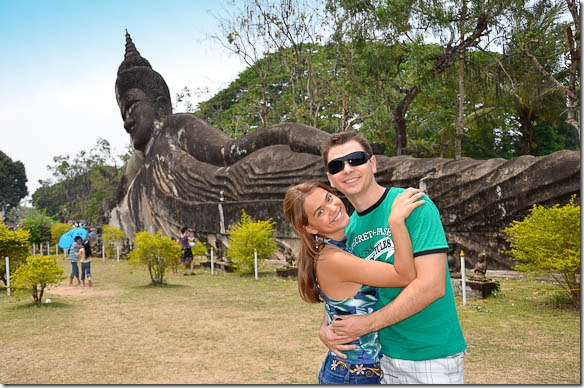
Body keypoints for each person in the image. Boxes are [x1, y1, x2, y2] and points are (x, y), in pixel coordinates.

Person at [318, 131, 467, 384]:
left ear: (373, 163)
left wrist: (367, 324)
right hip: (378, 359)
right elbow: (348, 289)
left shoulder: (412, 205)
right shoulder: (348, 228)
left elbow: (431, 286)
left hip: (428, 355)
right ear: (331, 179)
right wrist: (326, 327)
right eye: (337, 165)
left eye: (356, 159)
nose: (348, 169)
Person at [283, 181, 425, 384]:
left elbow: (342, 303)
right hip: (354, 374)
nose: (333, 208)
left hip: (355, 369)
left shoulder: (339, 245)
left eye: (329, 198)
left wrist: (325, 326)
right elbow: (404, 276)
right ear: (310, 227)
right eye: (320, 212)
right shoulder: (332, 259)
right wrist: (396, 222)